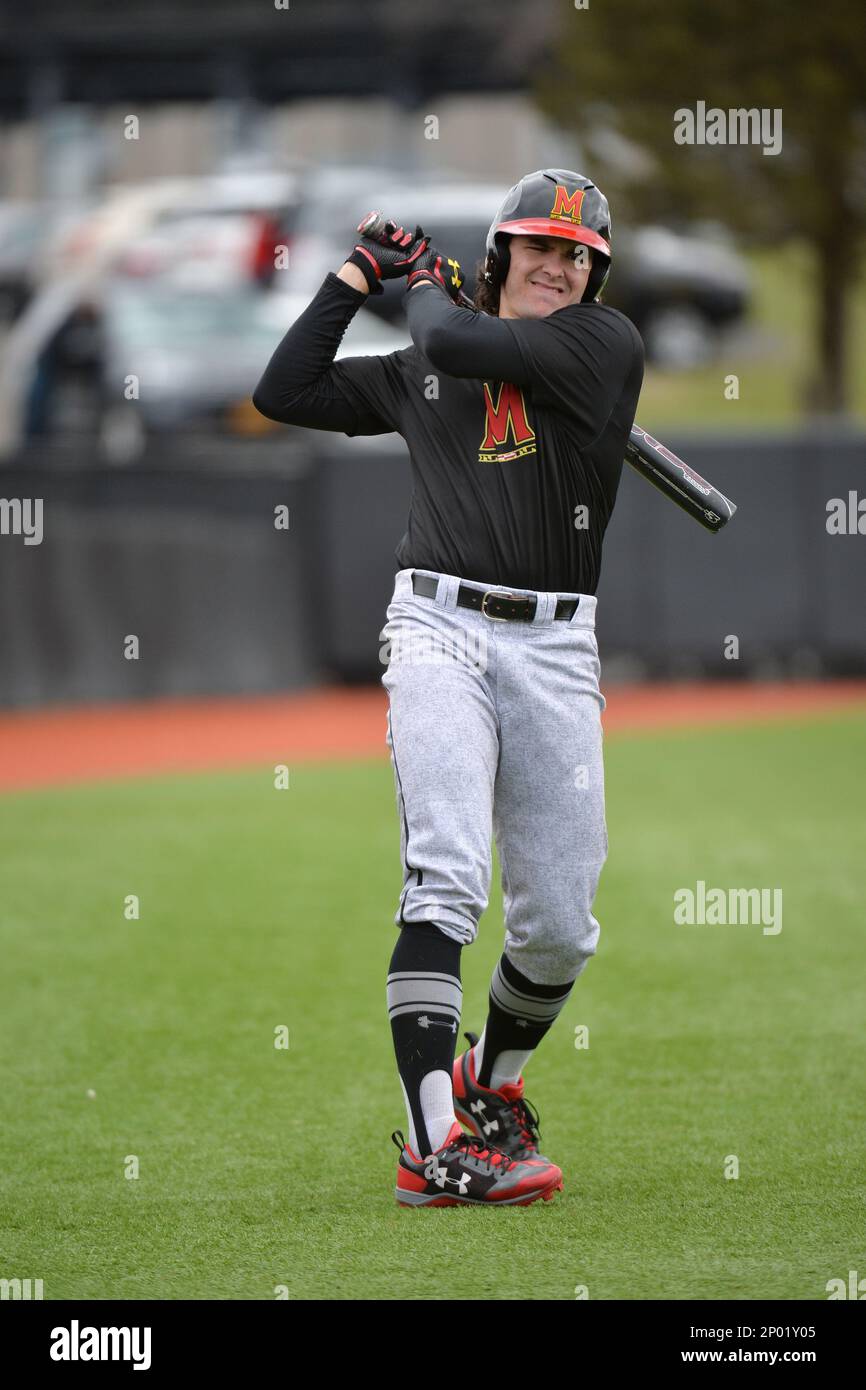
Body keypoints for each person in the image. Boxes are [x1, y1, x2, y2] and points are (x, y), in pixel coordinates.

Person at [252, 168, 645, 1208]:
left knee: (559, 922)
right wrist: (356, 275)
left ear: (591, 275)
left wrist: (425, 286)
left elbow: (459, 341)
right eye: (537, 248)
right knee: (445, 876)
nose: (556, 266)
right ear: (501, 256)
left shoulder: (601, 348)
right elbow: (282, 390)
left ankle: (493, 1086)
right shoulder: (427, 359)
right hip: (436, 627)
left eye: (575, 256)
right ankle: (433, 1145)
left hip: (557, 646)